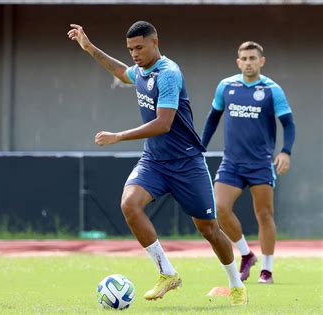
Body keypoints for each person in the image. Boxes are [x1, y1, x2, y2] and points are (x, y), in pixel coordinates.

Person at [68, 21, 247, 305]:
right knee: (129, 204)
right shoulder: (139, 70)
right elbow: (120, 72)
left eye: (139, 47)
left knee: (209, 230)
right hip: (154, 161)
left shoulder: (168, 74)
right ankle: (167, 273)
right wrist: (89, 48)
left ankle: (237, 285)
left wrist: (119, 136)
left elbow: (164, 123)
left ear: (155, 42)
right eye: (130, 49)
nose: (134, 54)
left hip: (187, 163)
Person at [201, 41, 296, 284]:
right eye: (244, 58)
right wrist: (199, 147)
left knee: (264, 214)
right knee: (219, 207)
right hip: (231, 162)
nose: (248, 62)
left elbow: (289, 123)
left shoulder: (272, 90)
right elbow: (212, 120)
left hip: (261, 163)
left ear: (261, 61)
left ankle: (267, 269)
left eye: (253, 58)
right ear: (238, 62)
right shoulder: (226, 86)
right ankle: (246, 254)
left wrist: (285, 151)